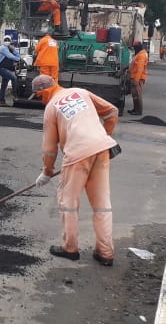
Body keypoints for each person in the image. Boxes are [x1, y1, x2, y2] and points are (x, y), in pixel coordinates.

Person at [31, 74, 119, 266]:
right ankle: (105, 252)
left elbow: (49, 148)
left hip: (78, 154)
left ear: (44, 91)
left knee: (68, 202)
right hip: (102, 149)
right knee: (102, 203)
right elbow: (112, 111)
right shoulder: (81, 92)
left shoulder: (51, 107)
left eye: (39, 96)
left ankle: (70, 248)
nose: (41, 100)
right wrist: (102, 136)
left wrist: (46, 172)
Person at [0, 36, 22, 107]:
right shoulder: (3, 48)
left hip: (8, 68)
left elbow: (18, 55)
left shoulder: (10, 48)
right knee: (14, 78)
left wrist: (14, 50)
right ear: (3, 41)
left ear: (10, 41)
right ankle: (14, 94)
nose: (7, 41)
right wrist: (18, 58)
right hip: (2, 68)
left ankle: (2, 101)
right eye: (5, 40)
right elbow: (11, 56)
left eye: (8, 40)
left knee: (4, 85)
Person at [129, 40, 148, 116]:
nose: (134, 49)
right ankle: (135, 109)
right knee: (134, 95)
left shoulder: (142, 55)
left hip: (138, 79)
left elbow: (140, 69)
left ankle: (139, 111)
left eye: (135, 47)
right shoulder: (139, 54)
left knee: (138, 95)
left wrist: (136, 80)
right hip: (134, 77)